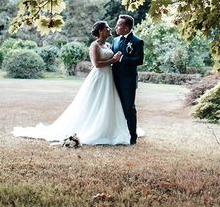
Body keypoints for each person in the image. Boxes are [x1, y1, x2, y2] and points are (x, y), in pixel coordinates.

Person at [12, 21, 130, 145]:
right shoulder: (94, 45)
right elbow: (96, 64)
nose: (109, 29)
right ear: (100, 31)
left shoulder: (108, 45)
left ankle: (108, 129)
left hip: (109, 77)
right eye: (106, 28)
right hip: (99, 77)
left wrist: (115, 60)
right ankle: (93, 128)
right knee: (93, 103)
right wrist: (113, 60)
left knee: (108, 102)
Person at [112, 14, 144, 144]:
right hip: (113, 80)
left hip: (128, 82)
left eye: (119, 25)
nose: (116, 27)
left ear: (127, 28)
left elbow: (139, 60)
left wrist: (123, 59)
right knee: (115, 107)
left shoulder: (137, 41)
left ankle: (132, 136)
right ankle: (118, 133)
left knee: (129, 108)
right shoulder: (114, 41)